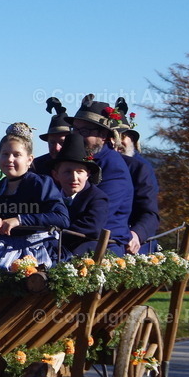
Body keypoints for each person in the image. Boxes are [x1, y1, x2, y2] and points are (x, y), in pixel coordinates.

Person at [0, 123, 69, 269]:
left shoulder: (41, 184)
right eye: (5, 154)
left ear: (29, 160)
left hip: (35, 247)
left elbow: (61, 218)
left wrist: (19, 220)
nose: (10, 159)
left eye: (16, 155)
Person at [66, 95, 134, 255]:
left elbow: (95, 218)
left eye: (85, 131)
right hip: (73, 237)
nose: (77, 136)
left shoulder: (114, 168)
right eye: (75, 129)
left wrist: (54, 231)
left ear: (103, 135)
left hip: (101, 245)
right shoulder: (75, 161)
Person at [112, 98, 160, 254]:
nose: (119, 142)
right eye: (114, 137)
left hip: (133, 242)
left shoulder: (140, 168)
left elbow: (149, 211)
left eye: (123, 137)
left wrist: (137, 234)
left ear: (131, 140)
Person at [49, 132, 108, 257]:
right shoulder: (49, 196)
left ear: (88, 174)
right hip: (49, 252)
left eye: (79, 172)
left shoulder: (97, 198)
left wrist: (53, 237)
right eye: (67, 172)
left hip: (81, 257)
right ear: (56, 175)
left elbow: (90, 228)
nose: (74, 178)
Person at [32, 97, 71, 178]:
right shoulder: (36, 166)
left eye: (62, 142)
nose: (56, 148)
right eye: (52, 142)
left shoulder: (82, 166)